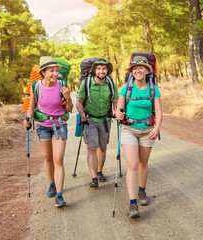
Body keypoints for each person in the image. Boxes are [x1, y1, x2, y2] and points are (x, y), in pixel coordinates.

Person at [115, 55, 163, 218]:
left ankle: (142, 190)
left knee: (143, 163)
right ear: (132, 71)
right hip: (129, 129)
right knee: (133, 165)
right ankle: (133, 203)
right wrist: (118, 114)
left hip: (147, 130)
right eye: (135, 68)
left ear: (146, 71)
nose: (138, 70)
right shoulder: (125, 88)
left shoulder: (153, 89)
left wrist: (156, 128)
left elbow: (159, 111)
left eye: (141, 68)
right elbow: (118, 110)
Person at [23, 56, 73, 208]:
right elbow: (32, 105)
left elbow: (69, 109)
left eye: (56, 71)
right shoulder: (35, 86)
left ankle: (59, 195)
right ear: (43, 72)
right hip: (43, 126)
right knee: (48, 157)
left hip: (59, 125)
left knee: (58, 159)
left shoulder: (62, 86)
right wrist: (28, 118)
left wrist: (68, 98)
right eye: (51, 71)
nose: (55, 74)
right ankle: (51, 183)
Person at [76, 59, 118, 188]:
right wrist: (82, 114)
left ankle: (100, 171)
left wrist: (116, 110)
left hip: (105, 120)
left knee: (103, 147)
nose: (101, 71)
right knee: (92, 147)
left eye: (104, 68)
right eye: (98, 68)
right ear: (94, 70)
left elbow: (115, 100)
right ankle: (94, 177)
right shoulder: (86, 83)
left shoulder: (111, 83)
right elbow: (79, 101)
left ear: (107, 70)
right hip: (90, 120)